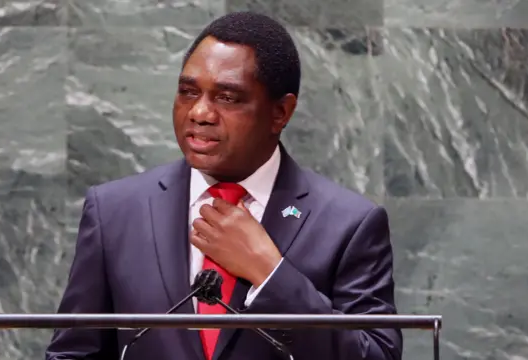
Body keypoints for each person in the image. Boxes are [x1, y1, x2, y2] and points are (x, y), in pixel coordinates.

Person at [45, 11, 402, 360]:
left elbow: (378, 353)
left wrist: (270, 273)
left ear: (280, 113)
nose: (199, 113)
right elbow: (73, 353)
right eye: (188, 92)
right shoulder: (115, 211)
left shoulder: (349, 224)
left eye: (227, 97)